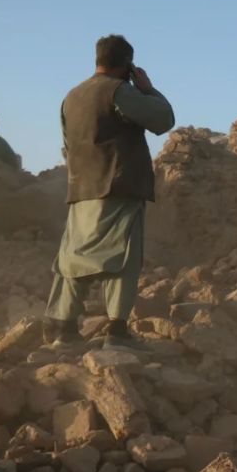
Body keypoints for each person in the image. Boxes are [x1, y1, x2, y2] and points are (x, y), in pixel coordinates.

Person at [43, 35, 174, 350]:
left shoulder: (71, 97)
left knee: (74, 256)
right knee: (123, 255)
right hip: (118, 186)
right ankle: (116, 330)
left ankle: (64, 327)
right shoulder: (119, 91)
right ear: (127, 65)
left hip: (81, 189)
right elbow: (163, 119)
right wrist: (147, 88)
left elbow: (67, 143)